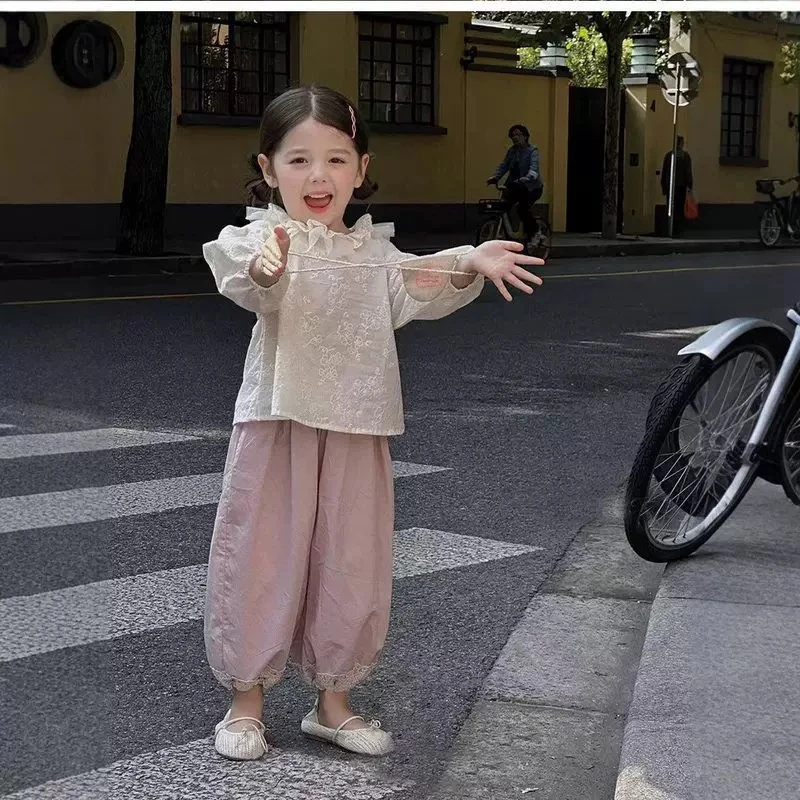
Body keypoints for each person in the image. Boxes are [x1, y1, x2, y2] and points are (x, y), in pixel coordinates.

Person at [201, 84, 545, 761]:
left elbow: (412, 283)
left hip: (359, 426)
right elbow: (246, 277)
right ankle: (246, 701)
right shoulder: (259, 237)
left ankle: (334, 702)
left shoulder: (372, 253)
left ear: (361, 169)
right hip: (279, 419)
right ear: (268, 170)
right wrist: (270, 268)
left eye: (336, 159)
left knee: (352, 561)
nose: (318, 176)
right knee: (263, 554)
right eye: (297, 161)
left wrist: (469, 260)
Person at [487, 124, 544, 251]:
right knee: (503, 206)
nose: (515, 138)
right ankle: (505, 234)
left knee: (522, 209)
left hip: (531, 187)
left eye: (518, 134)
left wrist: (528, 177)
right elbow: (504, 166)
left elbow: (534, 168)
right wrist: (495, 177)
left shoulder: (532, 151)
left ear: (525, 136)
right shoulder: (512, 151)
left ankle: (535, 232)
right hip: (514, 185)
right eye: (513, 135)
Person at [660, 136, 694, 236]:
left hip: (670, 186)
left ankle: (669, 228)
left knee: (670, 207)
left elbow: (664, 172)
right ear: (681, 143)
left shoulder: (668, 155)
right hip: (681, 186)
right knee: (679, 208)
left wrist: (663, 186)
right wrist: (690, 185)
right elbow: (688, 172)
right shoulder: (685, 156)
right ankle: (677, 230)